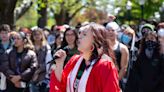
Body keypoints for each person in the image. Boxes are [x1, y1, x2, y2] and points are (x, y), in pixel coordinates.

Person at [49, 22, 120, 92]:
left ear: (95, 42)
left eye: (84, 34)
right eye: (80, 33)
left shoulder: (105, 66)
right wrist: (59, 64)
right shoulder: (74, 60)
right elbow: (62, 84)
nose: (79, 36)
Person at [105, 22, 129, 90]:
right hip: (102, 80)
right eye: (108, 30)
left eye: (113, 30)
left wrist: (115, 81)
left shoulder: (123, 48)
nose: (110, 32)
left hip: (116, 81)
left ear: (117, 32)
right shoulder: (101, 47)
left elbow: (123, 68)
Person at [30, 28, 53, 92]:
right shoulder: (29, 47)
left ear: (42, 35)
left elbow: (48, 62)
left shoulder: (46, 47)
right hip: (30, 75)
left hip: (43, 76)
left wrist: (38, 71)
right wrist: (34, 72)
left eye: (39, 34)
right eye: (35, 34)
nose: (37, 36)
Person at [0, 24, 13, 91]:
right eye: (2, 33)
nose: (4, 35)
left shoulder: (15, 45)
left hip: (11, 75)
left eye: (6, 33)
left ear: (10, 33)